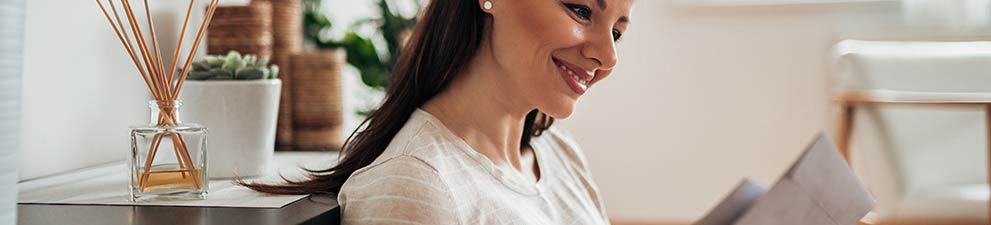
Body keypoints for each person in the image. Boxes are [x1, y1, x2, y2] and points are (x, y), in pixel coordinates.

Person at [243, 0, 633, 224]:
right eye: (581, 10)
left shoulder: (560, 156)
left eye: (617, 31)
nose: (607, 56)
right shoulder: (414, 186)